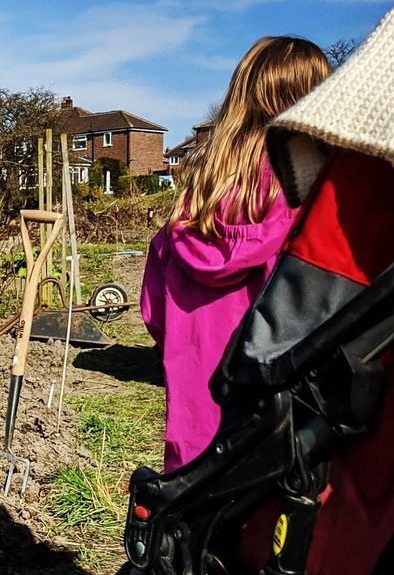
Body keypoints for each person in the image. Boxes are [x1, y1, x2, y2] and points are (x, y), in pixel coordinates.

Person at [141, 35, 330, 470]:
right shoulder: (309, 192)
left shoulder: (194, 201)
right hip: (284, 407)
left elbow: (153, 313)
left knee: (198, 518)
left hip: (197, 421)